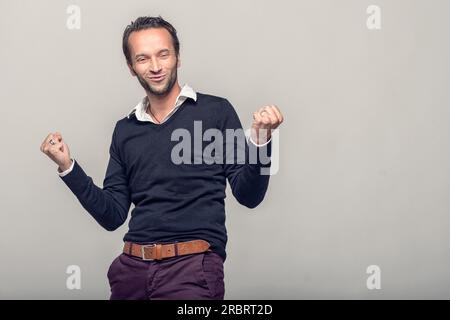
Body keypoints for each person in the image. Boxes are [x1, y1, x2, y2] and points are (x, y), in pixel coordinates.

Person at [40, 15, 283, 300]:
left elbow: (249, 195)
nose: (155, 67)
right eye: (143, 59)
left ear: (177, 57)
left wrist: (262, 140)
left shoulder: (215, 112)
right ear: (131, 67)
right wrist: (68, 166)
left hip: (192, 270)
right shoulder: (125, 130)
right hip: (130, 271)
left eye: (163, 55)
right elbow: (112, 215)